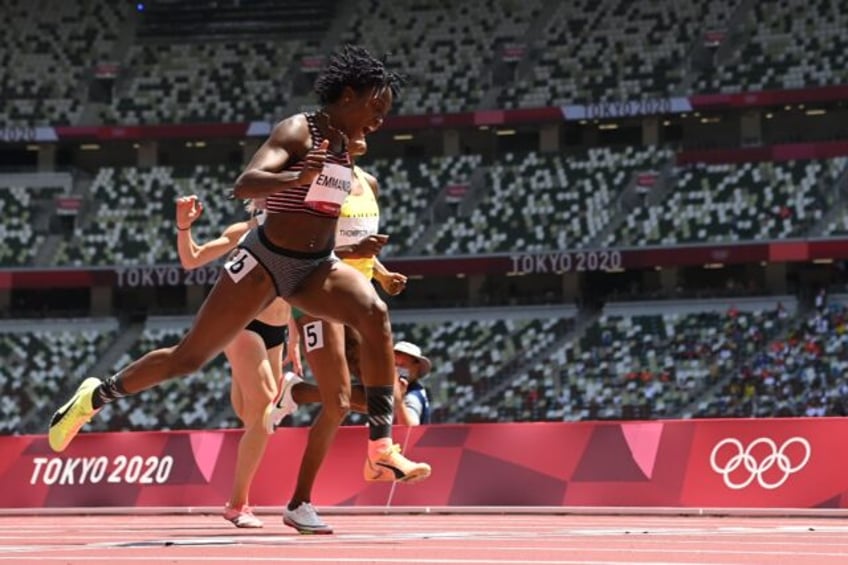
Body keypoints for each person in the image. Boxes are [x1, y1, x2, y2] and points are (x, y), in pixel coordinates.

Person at [48, 44, 431, 491]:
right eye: (376, 107)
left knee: (375, 314)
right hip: (265, 263)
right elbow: (244, 184)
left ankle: (381, 450)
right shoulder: (297, 131)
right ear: (348, 95)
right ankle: (95, 395)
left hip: (314, 267)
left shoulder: (349, 141)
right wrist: (297, 177)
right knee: (186, 359)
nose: (381, 120)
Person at [268, 134, 410, 534]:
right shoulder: (321, 180)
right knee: (339, 404)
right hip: (318, 294)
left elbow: (361, 245)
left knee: (384, 398)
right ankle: (300, 503)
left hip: (360, 301)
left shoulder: (370, 183)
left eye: (370, 129)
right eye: (356, 130)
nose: (364, 134)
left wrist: (381, 274)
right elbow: (308, 248)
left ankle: (298, 394)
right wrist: (355, 252)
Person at [175, 195, 300, 528]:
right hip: (242, 324)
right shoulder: (243, 232)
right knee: (261, 406)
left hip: (276, 330)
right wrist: (184, 226)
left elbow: (291, 291)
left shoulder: (295, 235)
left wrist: (294, 333)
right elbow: (192, 259)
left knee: (254, 417)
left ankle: (279, 394)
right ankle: (237, 504)